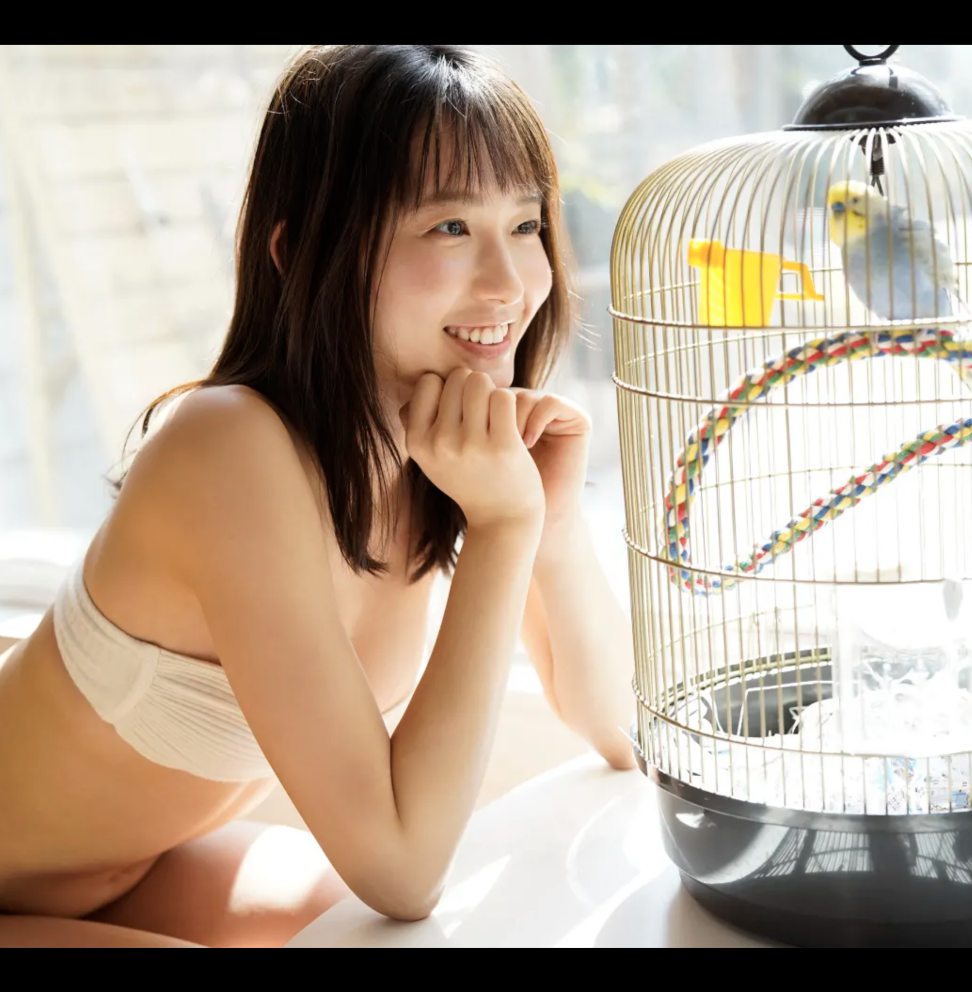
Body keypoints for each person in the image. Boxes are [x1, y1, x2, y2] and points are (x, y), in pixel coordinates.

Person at [0, 44, 636, 948]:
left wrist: (550, 522)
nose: (508, 281)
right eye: (450, 226)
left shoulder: (433, 445)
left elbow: (620, 730)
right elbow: (402, 869)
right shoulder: (231, 447)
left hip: (136, 871)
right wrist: (502, 527)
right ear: (301, 249)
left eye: (527, 223)